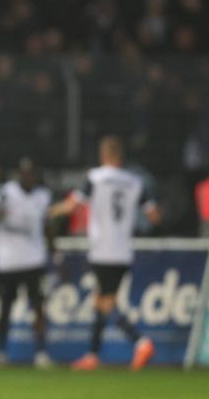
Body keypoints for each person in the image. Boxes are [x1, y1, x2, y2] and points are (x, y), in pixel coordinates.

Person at [49, 135, 161, 371]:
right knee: (101, 300)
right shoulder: (135, 181)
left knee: (105, 302)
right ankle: (93, 354)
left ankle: (140, 341)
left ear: (103, 155)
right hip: (123, 249)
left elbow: (73, 205)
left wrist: (51, 211)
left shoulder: (95, 177)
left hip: (102, 249)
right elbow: (154, 215)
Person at [0, 158, 53, 368]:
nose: (28, 177)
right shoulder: (5, 192)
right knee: (5, 307)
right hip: (8, 260)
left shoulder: (43, 196)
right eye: (24, 173)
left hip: (34, 258)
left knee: (39, 307)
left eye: (31, 173)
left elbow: (48, 226)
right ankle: (1, 351)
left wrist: (55, 253)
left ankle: (41, 351)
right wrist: (1, 211)